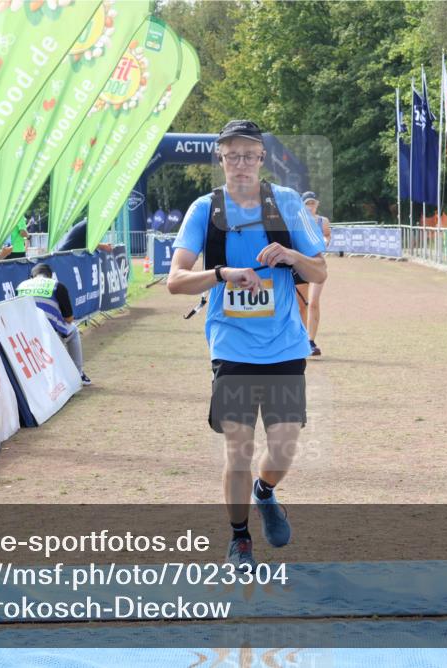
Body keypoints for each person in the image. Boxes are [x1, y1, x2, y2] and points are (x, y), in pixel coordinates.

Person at [167, 119, 327, 567]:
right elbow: (175, 282)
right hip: (231, 345)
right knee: (238, 448)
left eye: (249, 155)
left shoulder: (288, 204)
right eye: (231, 155)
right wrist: (222, 274)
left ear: (262, 159)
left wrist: (291, 255)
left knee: (283, 448)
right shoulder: (204, 209)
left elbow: (319, 273)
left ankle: (266, 490)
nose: (240, 163)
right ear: (220, 159)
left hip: (284, 347)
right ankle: (239, 538)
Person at [17, 262, 91, 386]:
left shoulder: (21, 286)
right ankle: (79, 374)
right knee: (73, 330)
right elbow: (68, 319)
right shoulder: (57, 286)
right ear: (50, 276)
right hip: (48, 333)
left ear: (32, 277)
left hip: (25, 334)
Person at [301, 192, 331, 356]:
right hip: (301, 265)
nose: (310, 206)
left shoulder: (323, 221)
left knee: (313, 302)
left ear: (317, 204)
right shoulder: (297, 221)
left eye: (312, 203)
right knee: (300, 303)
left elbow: (327, 235)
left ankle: (311, 341)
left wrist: (326, 241)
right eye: (307, 203)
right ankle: (299, 339)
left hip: (318, 266)